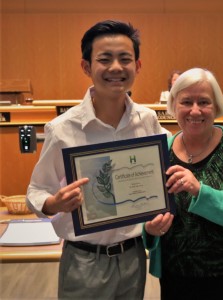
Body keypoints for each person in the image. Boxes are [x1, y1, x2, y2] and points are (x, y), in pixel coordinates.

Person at [26, 20, 169, 300]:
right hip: (83, 261)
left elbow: (176, 154)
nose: (116, 67)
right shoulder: (62, 129)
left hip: (133, 257)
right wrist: (54, 203)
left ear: (137, 66)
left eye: (125, 59)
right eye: (105, 59)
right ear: (86, 67)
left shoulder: (148, 120)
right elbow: (35, 191)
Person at [143, 68, 223, 300]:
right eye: (186, 101)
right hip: (174, 276)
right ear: (174, 106)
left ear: (217, 105)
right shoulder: (161, 151)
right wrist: (149, 230)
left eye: (204, 102)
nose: (195, 110)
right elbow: (149, 212)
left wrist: (200, 190)